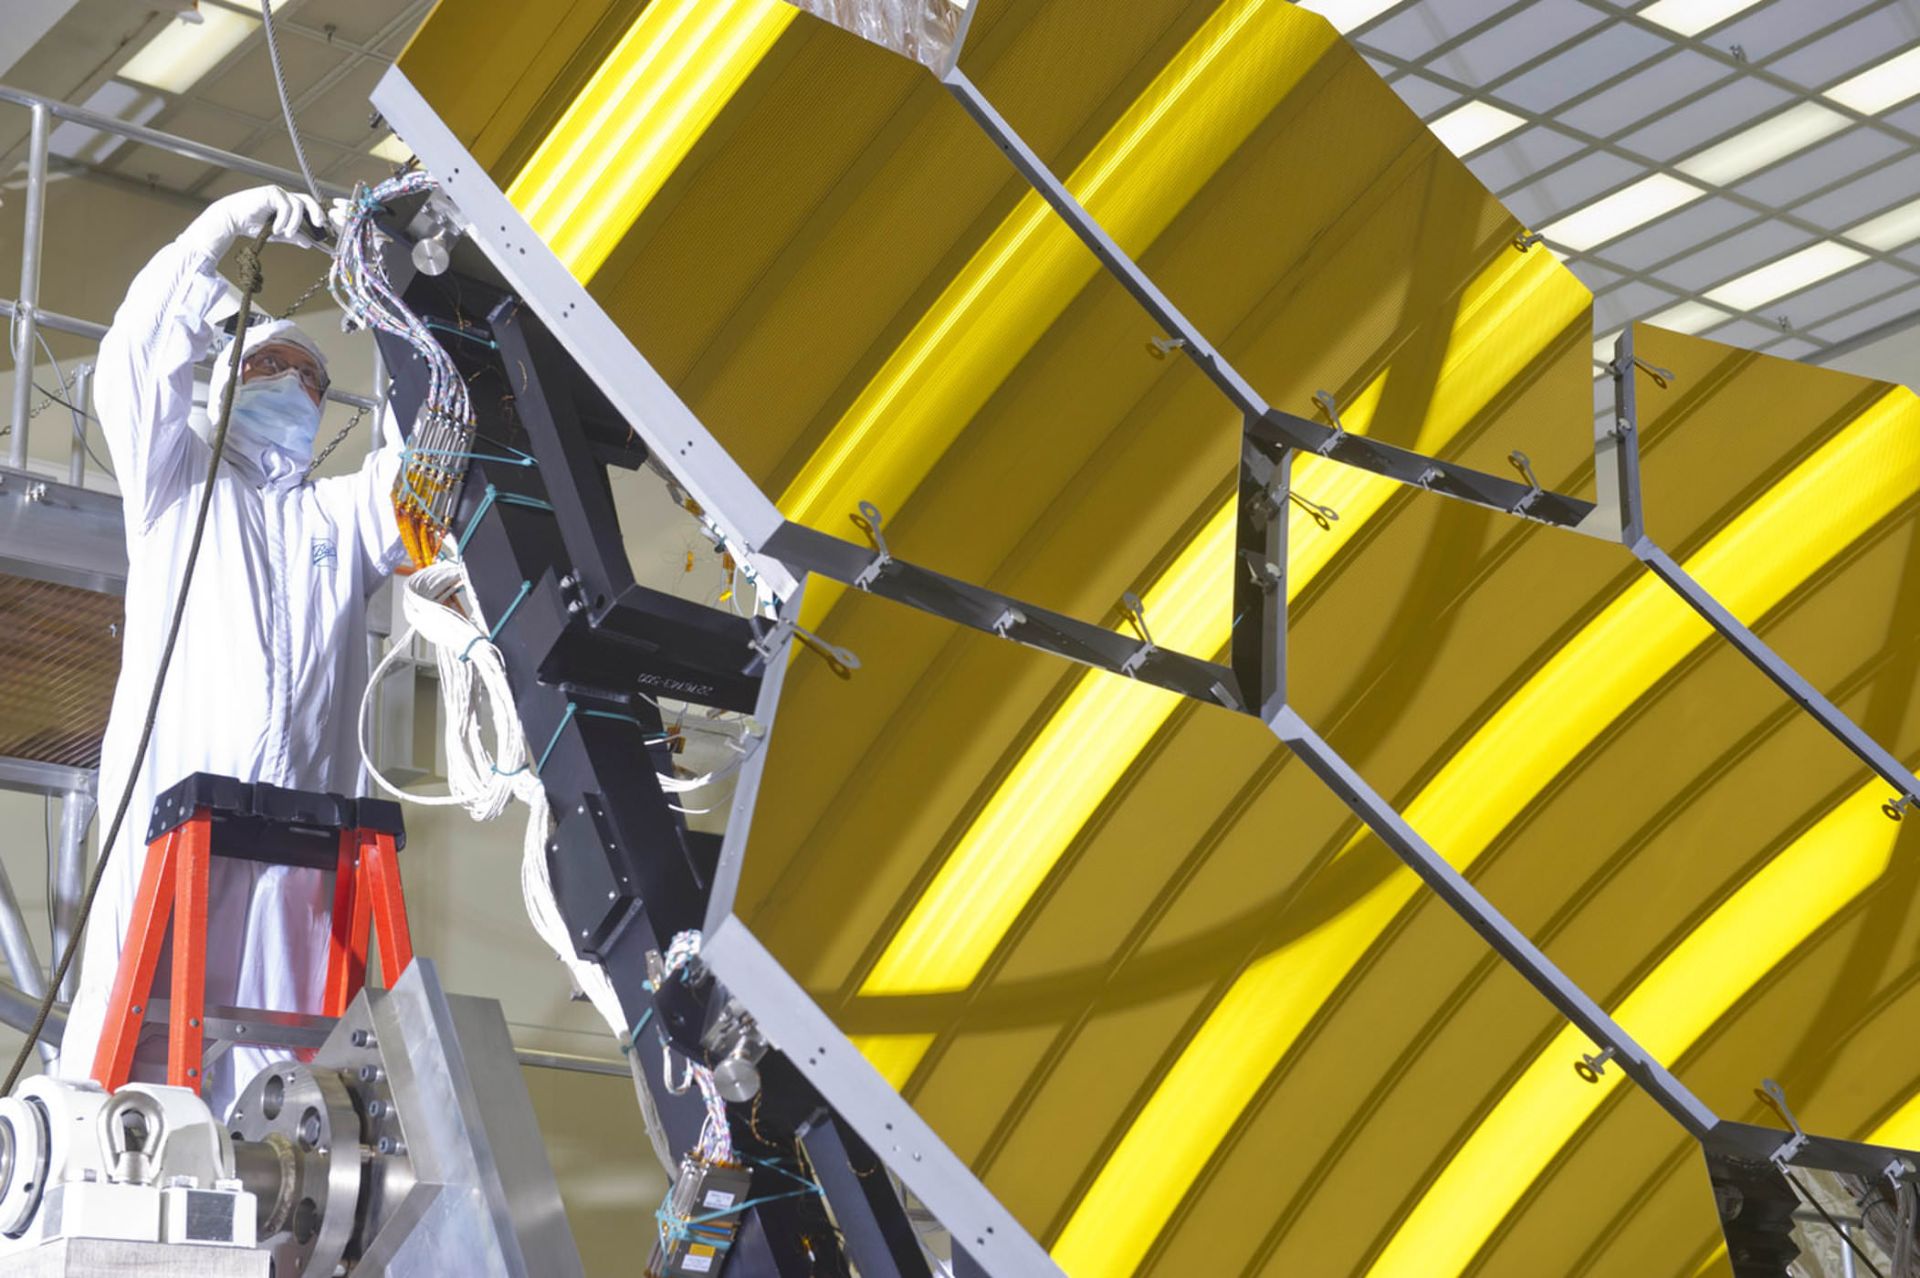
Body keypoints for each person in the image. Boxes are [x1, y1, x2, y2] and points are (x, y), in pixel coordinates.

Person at [59, 185, 408, 1114]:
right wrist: (219, 230)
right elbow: (136, 360)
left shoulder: (337, 519)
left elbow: (424, 477)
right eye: (276, 367)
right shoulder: (177, 487)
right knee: (131, 1055)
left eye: (312, 380)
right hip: (173, 815)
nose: (297, 388)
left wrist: (407, 302)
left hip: (298, 844)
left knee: (281, 1080)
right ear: (225, 383)